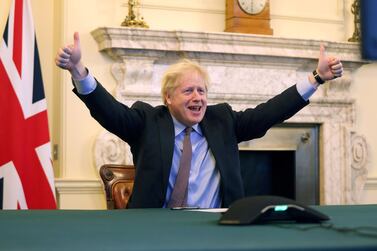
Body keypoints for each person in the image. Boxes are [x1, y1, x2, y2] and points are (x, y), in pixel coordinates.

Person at [56, 32, 343, 209]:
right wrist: (79, 71)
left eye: (202, 91)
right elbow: (109, 111)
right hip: (155, 229)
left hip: (217, 229)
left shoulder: (223, 121)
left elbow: (270, 112)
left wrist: (315, 79)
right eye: (188, 90)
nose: (198, 97)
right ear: (168, 97)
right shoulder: (148, 121)